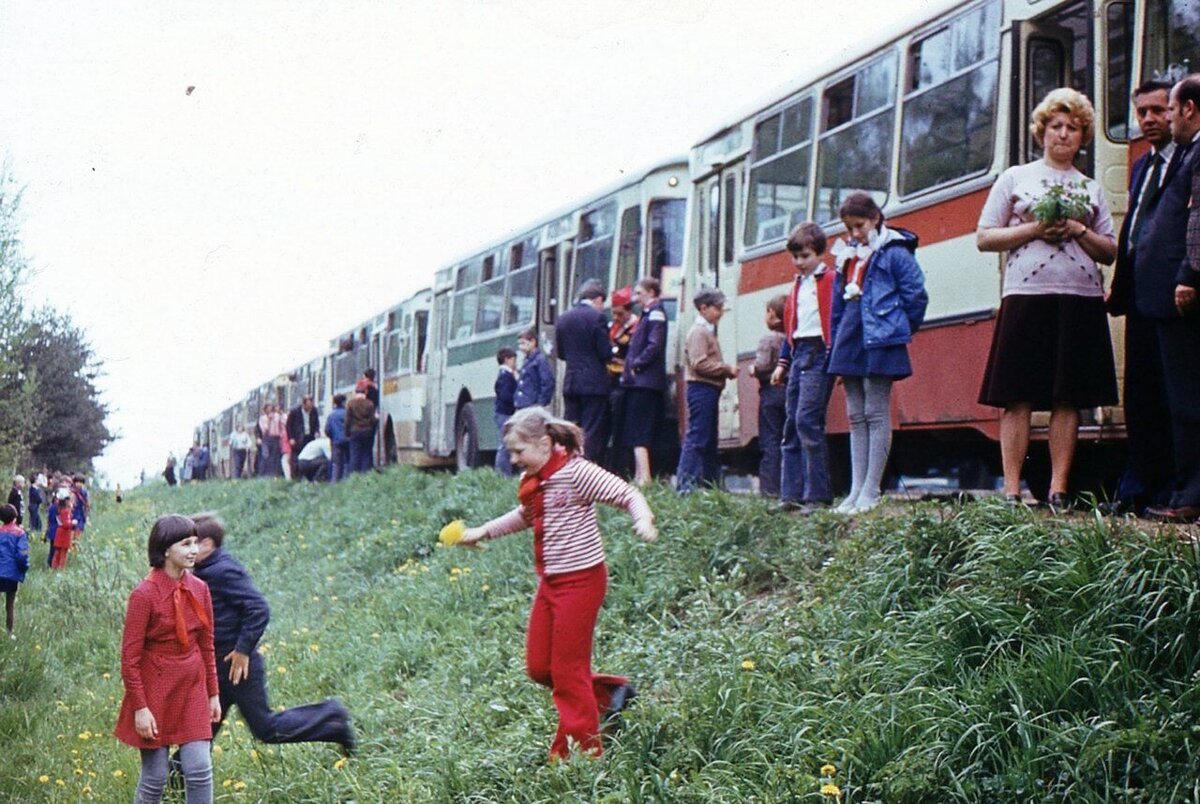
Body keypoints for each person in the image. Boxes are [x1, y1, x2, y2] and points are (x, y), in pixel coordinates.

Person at [456, 407, 656, 760]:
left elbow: (627, 494)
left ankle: (579, 755)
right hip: (551, 583)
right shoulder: (536, 478)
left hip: (582, 581)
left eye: (519, 451)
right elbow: (525, 515)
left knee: (567, 672)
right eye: (511, 452)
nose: (514, 459)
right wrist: (483, 531)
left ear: (546, 443)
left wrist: (643, 521)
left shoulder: (576, 472)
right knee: (539, 667)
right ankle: (610, 696)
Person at [977, 88, 1117, 510]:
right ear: (1041, 131)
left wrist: (1078, 230)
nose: (1063, 135)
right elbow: (985, 236)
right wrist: (1035, 229)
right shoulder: (1016, 178)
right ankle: (1012, 489)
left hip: (1079, 297)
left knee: (1067, 396)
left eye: (1073, 128)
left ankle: (1058, 488)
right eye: (1056, 126)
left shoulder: (1090, 188)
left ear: (1083, 136)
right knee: (1016, 395)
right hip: (1027, 295)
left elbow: (1110, 250)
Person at [187, 513, 354, 753]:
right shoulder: (205, 570)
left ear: (207, 544)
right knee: (202, 730)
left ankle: (331, 716)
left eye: (192, 543)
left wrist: (243, 650)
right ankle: (171, 783)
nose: (189, 550)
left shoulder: (222, 570)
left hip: (239, 667)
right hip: (220, 667)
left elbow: (258, 608)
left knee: (266, 728)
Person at [828, 192, 929, 515]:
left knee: (875, 410)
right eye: (849, 228)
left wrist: (900, 328)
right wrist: (835, 342)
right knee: (855, 415)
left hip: (881, 337)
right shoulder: (847, 255)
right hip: (851, 335)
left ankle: (871, 489)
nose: (855, 234)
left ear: (875, 218)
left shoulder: (894, 252)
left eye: (859, 226)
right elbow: (836, 304)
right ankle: (855, 490)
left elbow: (916, 296)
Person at [1105, 79, 1177, 515]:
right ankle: (1138, 485)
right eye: (1142, 113)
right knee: (1140, 395)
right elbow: (1134, 227)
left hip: (1171, 295)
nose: (1149, 119)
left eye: (1158, 110)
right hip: (1137, 295)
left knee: (1172, 393)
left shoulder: (1188, 159)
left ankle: (1172, 484)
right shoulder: (1141, 167)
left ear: (1177, 111)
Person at [113, 515, 219, 804]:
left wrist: (213, 693)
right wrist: (140, 707)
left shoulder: (200, 589)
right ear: (165, 550)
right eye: (186, 544)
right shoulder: (144, 595)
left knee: (199, 769)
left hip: (192, 687)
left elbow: (206, 645)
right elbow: (130, 658)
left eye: (196, 542)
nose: (194, 550)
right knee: (155, 777)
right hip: (155, 691)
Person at [1134, 74, 1200, 522]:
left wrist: (1189, 273)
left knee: (1188, 400)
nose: (1167, 120)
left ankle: (1191, 493)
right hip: (1167, 294)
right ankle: (1184, 489)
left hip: (1185, 294)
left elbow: (1197, 223)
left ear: (1190, 109)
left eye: (1171, 111)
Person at [772, 222, 836, 514]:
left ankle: (817, 495)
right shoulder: (797, 286)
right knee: (791, 424)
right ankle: (791, 493)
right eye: (795, 257)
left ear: (820, 254)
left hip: (819, 352)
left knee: (807, 420)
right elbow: (790, 328)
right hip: (799, 353)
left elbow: (834, 320)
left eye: (805, 256)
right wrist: (783, 363)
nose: (799, 263)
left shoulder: (830, 280)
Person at [675, 288, 739, 494]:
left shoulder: (703, 331)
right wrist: (725, 368)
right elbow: (699, 363)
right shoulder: (700, 332)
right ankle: (686, 485)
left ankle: (713, 484)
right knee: (698, 437)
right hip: (702, 388)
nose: (720, 312)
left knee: (709, 439)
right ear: (704, 308)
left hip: (706, 389)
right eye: (717, 308)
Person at [555, 280, 613, 462]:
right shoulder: (597, 318)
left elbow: (561, 353)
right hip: (594, 384)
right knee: (592, 429)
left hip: (571, 382)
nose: (602, 307)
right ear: (597, 299)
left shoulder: (563, 318)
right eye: (602, 303)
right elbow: (605, 352)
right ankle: (587, 468)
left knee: (571, 427)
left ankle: (567, 465)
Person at [619, 278, 668, 486]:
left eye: (639, 293)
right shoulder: (649, 313)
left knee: (639, 430)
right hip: (642, 381)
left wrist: (636, 364)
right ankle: (641, 475)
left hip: (644, 381)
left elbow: (654, 345)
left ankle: (644, 477)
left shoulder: (655, 313)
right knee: (637, 430)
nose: (635, 298)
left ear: (651, 292)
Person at [753, 295, 787, 498]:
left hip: (771, 391)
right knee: (789, 439)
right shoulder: (789, 338)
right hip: (788, 390)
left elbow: (763, 365)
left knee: (770, 440)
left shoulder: (769, 339)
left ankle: (769, 489)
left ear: (772, 315)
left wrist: (752, 369)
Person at [0, 504, 29, 639]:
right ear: (15, 517)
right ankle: (9, 632)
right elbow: (22, 555)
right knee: (10, 604)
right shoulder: (20, 533)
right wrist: (23, 569)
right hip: (11, 574)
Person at [514, 328, 554, 411]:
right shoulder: (527, 360)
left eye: (523, 343)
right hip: (524, 404)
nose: (520, 347)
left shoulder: (540, 360)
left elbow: (547, 382)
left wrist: (540, 403)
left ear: (533, 341)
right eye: (519, 344)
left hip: (531, 405)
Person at [494, 348, 518, 476]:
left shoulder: (504, 374)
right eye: (514, 359)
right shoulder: (506, 375)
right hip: (505, 413)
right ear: (507, 359)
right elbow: (506, 396)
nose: (515, 362)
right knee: (504, 444)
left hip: (502, 412)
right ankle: (502, 473)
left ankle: (503, 472)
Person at [286, 396, 320, 480]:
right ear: (303, 405)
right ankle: (296, 476)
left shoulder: (314, 411)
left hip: (309, 437)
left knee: (309, 457)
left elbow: (316, 423)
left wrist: (316, 431)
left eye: (311, 406)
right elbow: (288, 426)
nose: (309, 408)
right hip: (297, 439)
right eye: (308, 406)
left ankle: (309, 477)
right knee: (296, 458)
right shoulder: (294, 412)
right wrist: (291, 438)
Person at [344, 388, 377, 474]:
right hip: (367, 431)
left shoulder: (350, 404)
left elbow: (347, 420)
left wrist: (347, 433)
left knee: (355, 455)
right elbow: (372, 419)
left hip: (354, 432)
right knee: (367, 454)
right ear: (365, 393)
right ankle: (366, 475)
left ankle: (354, 475)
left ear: (355, 393)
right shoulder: (369, 403)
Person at [323, 394, 350, 481]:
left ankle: (334, 483)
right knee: (347, 463)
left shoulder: (331, 416)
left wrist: (332, 437)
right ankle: (346, 482)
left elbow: (327, 430)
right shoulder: (347, 414)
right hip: (347, 441)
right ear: (343, 402)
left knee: (336, 464)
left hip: (336, 442)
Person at [50, 490, 77, 570]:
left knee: (57, 552)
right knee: (63, 553)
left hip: (60, 533)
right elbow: (66, 524)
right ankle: (61, 568)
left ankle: (54, 567)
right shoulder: (65, 511)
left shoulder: (59, 509)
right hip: (64, 534)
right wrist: (73, 523)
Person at [257, 404, 284, 478]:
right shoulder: (262, 418)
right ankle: (263, 474)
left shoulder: (277, 416)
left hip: (276, 437)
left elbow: (282, 425)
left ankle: (274, 474)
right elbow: (264, 430)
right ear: (265, 410)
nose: (270, 410)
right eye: (268, 409)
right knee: (266, 456)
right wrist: (269, 420)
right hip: (266, 438)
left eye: (271, 408)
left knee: (275, 456)